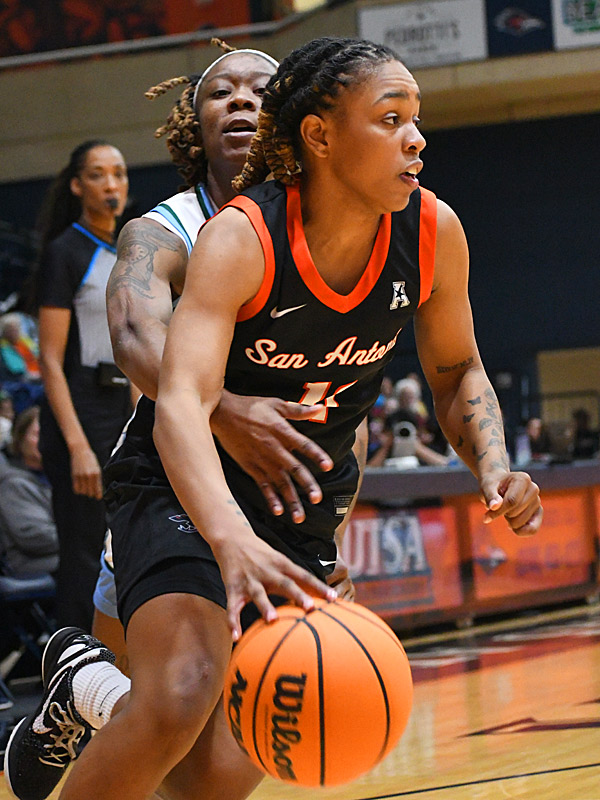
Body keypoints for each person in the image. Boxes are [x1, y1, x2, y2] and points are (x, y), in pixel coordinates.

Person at [5, 36, 543, 800]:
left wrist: (493, 465)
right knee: (179, 694)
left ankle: (89, 690)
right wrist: (231, 511)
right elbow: (163, 378)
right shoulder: (217, 232)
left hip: (296, 501)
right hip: (181, 479)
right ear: (316, 132)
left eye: (415, 118)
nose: (417, 138)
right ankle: (96, 688)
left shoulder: (431, 231)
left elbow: (455, 371)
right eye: (392, 118)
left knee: (213, 776)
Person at [34, 140, 132, 632]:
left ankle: (122, 662)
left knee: (126, 548)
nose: (111, 184)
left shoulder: (133, 250)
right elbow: (50, 361)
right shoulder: (64, 252)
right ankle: (70, 666)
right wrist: (78, 447)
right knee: (84, 553)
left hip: (122, 409)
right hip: (80, 414)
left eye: (118, 173)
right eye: (97, 174)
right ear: (77, 186)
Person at [0, 405, 58, 576]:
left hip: (63, 551)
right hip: (28, 563)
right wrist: (86, 537)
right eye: (37, 434)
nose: (44, 441)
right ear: (20, 438)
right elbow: (34, 538)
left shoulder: (61, 477)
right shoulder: (13, 483)